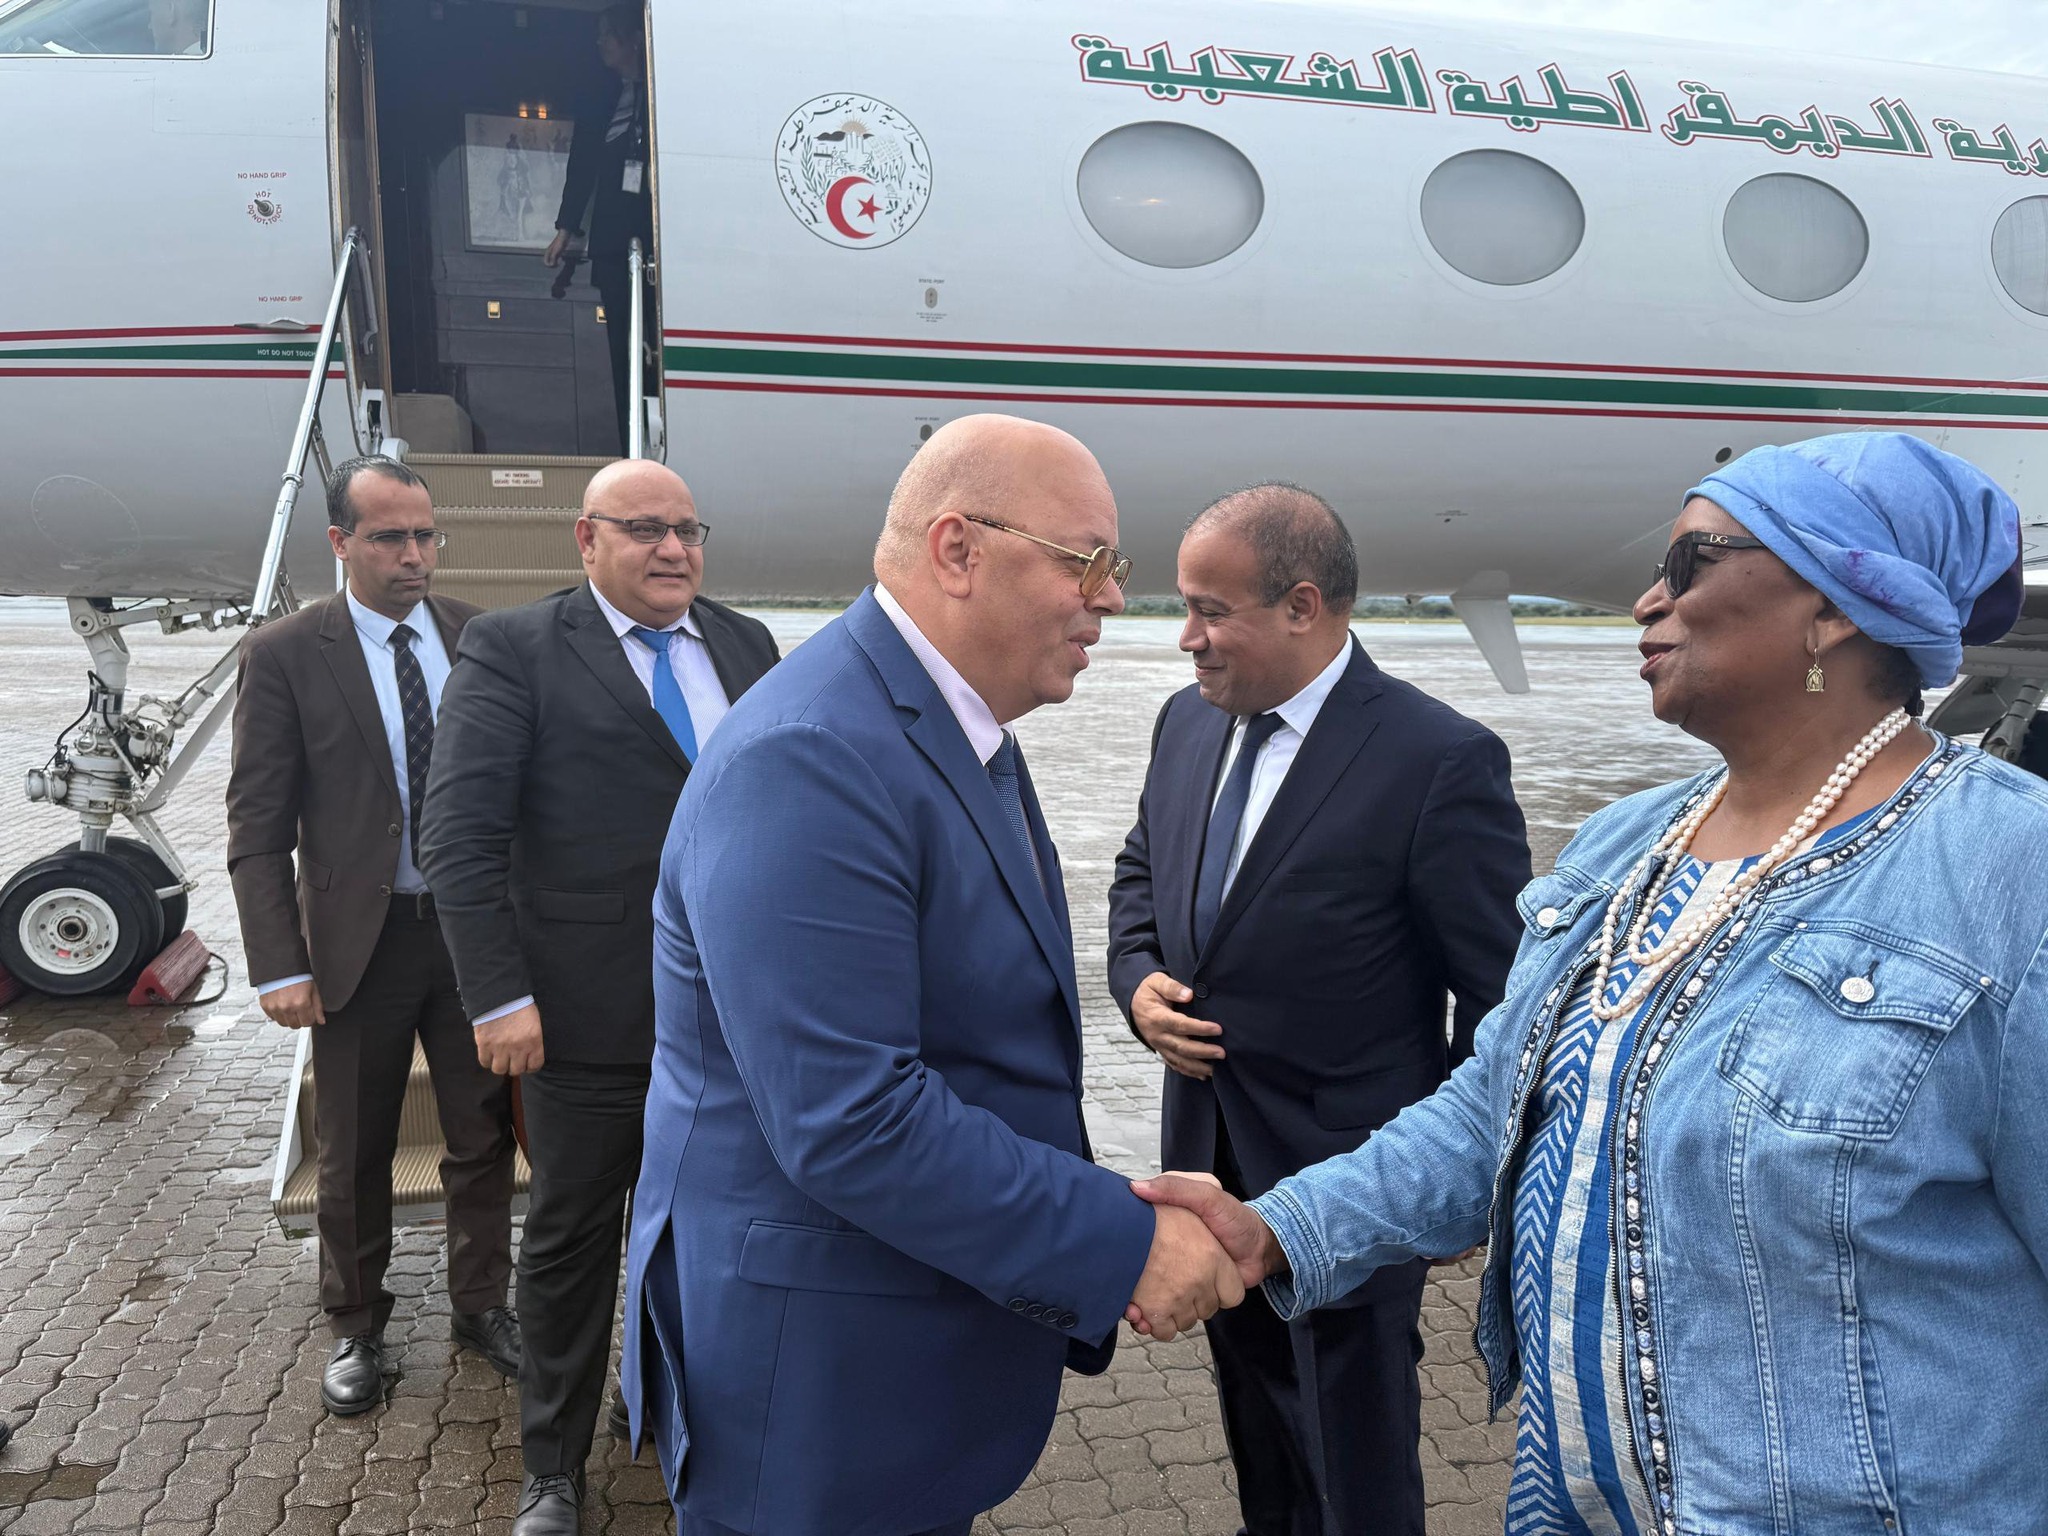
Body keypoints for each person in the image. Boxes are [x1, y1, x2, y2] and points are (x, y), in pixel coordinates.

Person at [1131, 432, 2048, 1535]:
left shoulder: (2012, 878)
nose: (1646, 602)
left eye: (1690, 564)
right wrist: (1272, 1230)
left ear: (1836, 605)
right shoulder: (1623, 849)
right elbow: (1490, 1111)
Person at [621, 414, 1245, 1536]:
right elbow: (850, 1115)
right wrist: (1122, 1241)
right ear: (957, 550)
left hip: (892, 1352)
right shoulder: (810, 755)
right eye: (1085, 561)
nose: (1112, 598)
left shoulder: (943, 727)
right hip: (814, 1393)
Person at [1108, 483, 1531, 1535]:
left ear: (1302, 606)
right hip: (1206, 1162)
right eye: (1184, 607)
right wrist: (1137, 983)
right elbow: (1138, 874)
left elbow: (1499, 1000)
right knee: (1260, 1441)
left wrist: (1460, 1179)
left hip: (1348, 1175)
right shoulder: (1186, 722)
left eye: (1210, 611)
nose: (1185, 638)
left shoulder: (1437, 758)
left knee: (1353, 1463)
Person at [419, 460, 779, 1536]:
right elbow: (459, 837)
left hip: (738, 1021)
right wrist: (497, 997)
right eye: (644, 529)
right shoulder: (514, 648)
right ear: (586, 538)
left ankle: (671, 1414)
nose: (673, 549)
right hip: (584, 1020)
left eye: (688, 529)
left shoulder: (746, 645)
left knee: (715, 1239)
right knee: (571, 1244)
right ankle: (551, 1469)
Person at [225, 458, 520, 1416]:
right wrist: (279, 963)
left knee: (481, 1131)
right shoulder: (284, 654)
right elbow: (257, 829)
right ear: (341, 542)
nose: (414, 555)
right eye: (391, 537)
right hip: (361, 942)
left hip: (472, 936)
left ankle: (482, 1304)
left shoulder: (480, 637)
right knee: (354, 1145)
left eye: (426, 535)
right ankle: (357, 1324)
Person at [543, 3, 654, 456]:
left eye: (608, 33)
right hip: (612, 244)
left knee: (656, 348)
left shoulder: (661, 95)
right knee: (622, 349)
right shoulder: (601, 99)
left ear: (633, 40)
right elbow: (582, 165)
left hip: (656, 245)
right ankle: (633, 447)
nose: (600, 42)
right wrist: (566, 227)